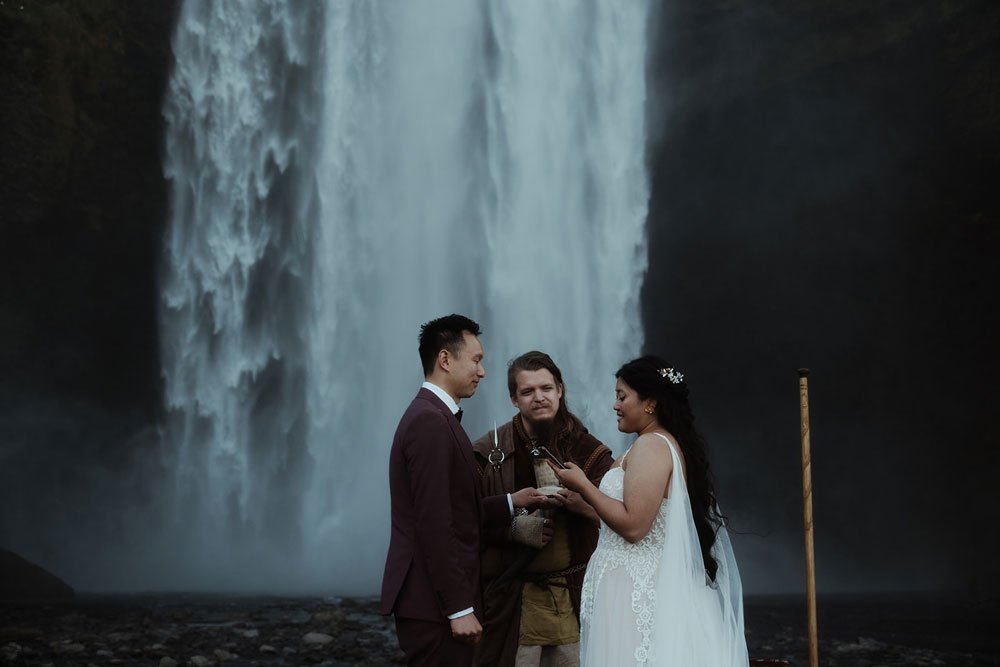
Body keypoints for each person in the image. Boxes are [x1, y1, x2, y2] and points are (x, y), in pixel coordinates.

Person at [551, 355, 748, 666]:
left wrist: (585, 486)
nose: (615, 405)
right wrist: (584, 507)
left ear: (650, 403)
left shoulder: (651, 446)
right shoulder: (651, 444)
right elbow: (645, 520)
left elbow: (634, 527)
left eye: (622, 396)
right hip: (629, 585)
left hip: (636, 591)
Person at [380, 315, 551, 666]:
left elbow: (452, 509)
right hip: (434, 605)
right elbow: (434, 523)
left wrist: (510, 502)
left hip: (431, 602)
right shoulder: (430, 422)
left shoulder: (434, 416)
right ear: (445, 359)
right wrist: (458, 608)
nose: (482, 371)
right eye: (476, 360)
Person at [471, 351, 614, 667]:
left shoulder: (590, 452)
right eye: (528, 391)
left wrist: (582, 504)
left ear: (560, 390)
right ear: (514, 399)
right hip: (510, 601)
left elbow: (623, 518)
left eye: (546, 388)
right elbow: (458, 519)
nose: (539, 397)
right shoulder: (487, 453)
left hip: (575, 596)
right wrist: (512, 528)